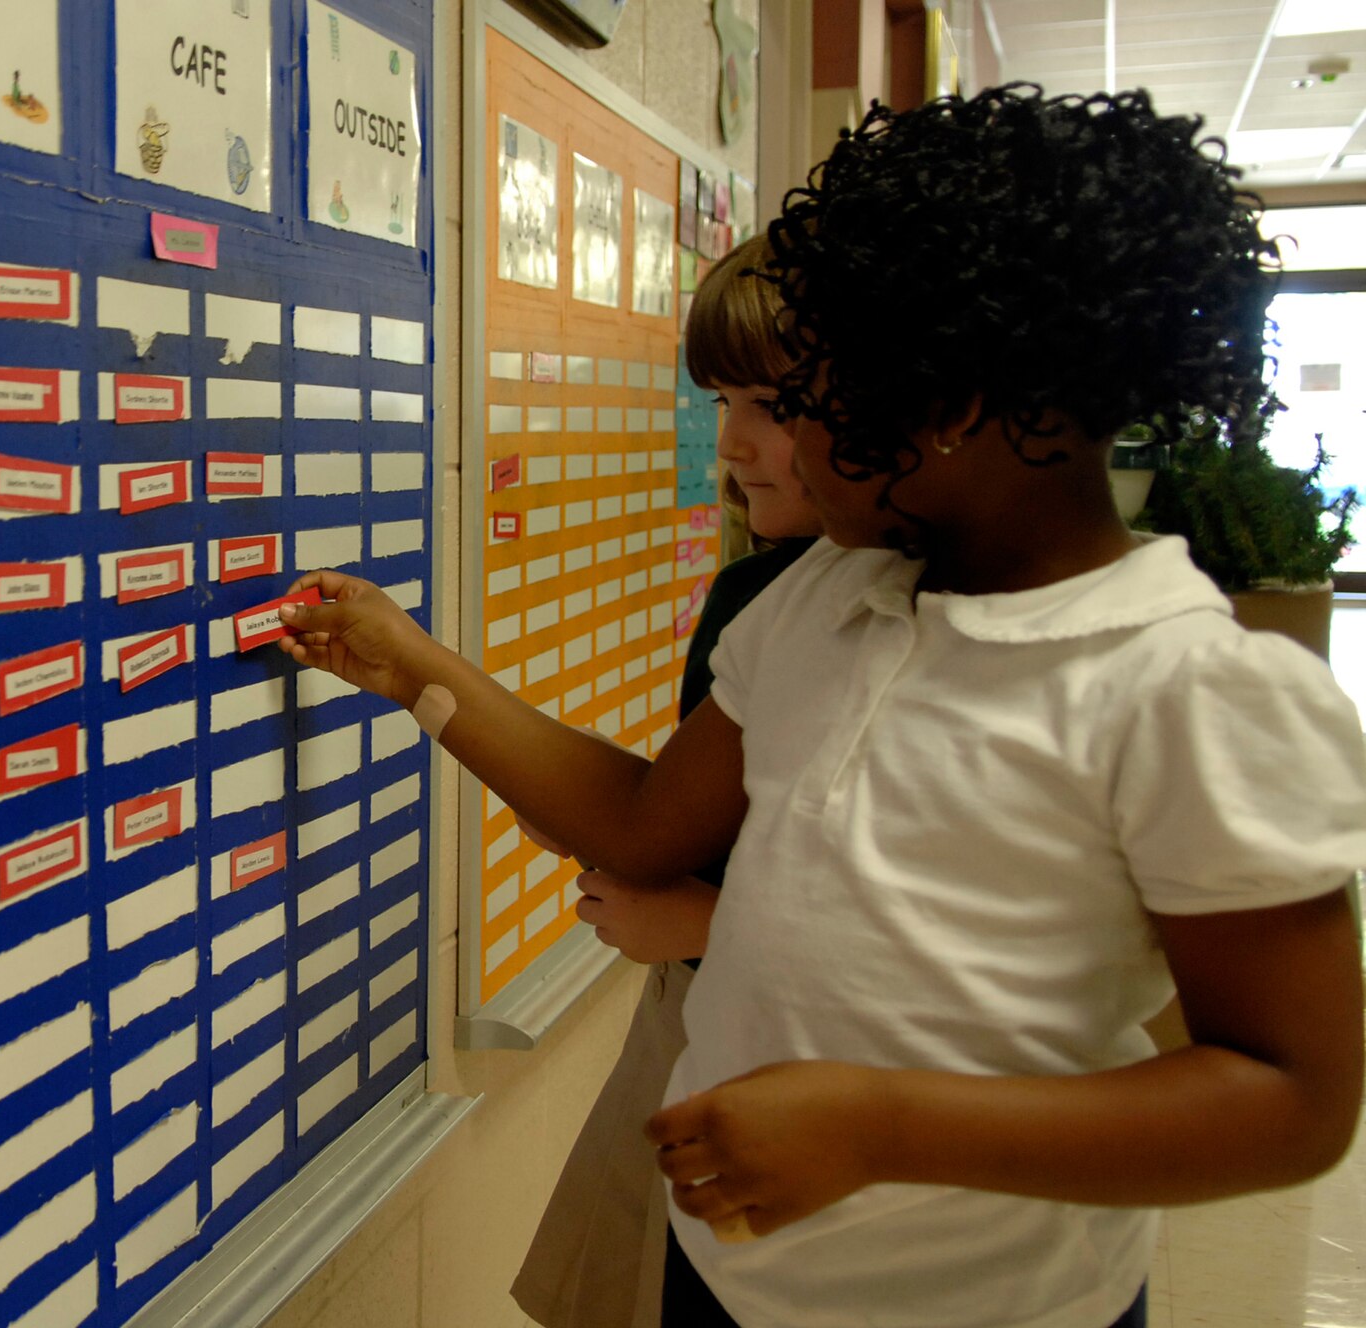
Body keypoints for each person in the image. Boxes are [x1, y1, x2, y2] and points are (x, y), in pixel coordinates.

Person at [279, 85, 1366, 1328]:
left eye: (802, 403)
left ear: (953, 406)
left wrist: (882, 1121)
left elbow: (1288, 1098)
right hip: (731, 1272)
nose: (760, 449)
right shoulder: (818, 599)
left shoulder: (1190, 690)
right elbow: (642, 824)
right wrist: (412, 663)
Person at [509, 235, 823, 1328]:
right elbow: (668, 822)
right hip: (704, 1025)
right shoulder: (760, 591)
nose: (729, 440)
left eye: (772, 402)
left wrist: (705, 917)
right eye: (721, 398)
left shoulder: (811, 608)